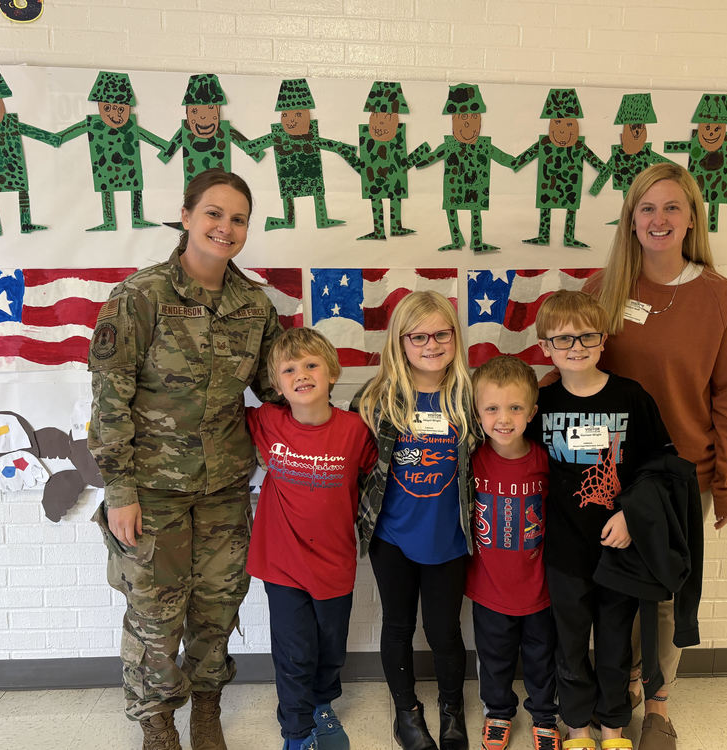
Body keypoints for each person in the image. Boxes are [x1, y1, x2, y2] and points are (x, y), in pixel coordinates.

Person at [87, 168, 283, 750]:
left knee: (218, 605)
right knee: (154, 615)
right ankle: (155, 722)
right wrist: (119, 491)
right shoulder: (138, 297)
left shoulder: (253, 304)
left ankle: (206, 708)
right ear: (187, 215)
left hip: (224, 487)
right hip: (150, 491)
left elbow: (278, 387)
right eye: (215, 214)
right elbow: (109, 398)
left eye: (238, 218)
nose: (226, 228)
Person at [585, 162, 727, 750]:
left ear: (691, 219)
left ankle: (656, 704)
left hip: (680, 476)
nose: (659, 219)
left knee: (660, 597)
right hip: (604, 473)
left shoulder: (718, 295)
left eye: (672, 208)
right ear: (631, 219)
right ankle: (616, 690)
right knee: (608, 588)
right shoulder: (600, 292)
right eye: (647, 208)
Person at [530, 290, 675, 750]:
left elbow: (659, 467)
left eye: (587, 336)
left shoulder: (631, 397)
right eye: (563, 339)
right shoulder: (539, 403)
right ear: (544, 346)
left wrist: (633, 515)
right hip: (563, 550)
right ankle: (576, 727)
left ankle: (612, 726)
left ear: (604, 339)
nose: (576, 347)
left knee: (615, 646)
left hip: (620, 551)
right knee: (570, 646)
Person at [246, 328, 377, 750]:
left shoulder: (356, 431)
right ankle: (297, 730)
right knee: (294, 652)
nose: (301, 374)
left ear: (332, 372)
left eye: (310, 365)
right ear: (278, 384)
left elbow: (379, 482)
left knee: (330, 647)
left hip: (335, 563)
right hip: (281, 564)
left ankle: (323, 703)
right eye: (289, 369)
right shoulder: (266, 421)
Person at [355, 291, 475, 750]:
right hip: (393, 538)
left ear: (455, 337)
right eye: (418, 336)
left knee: (445, 630)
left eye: (441, 333)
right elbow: (354, 466)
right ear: (400, 342)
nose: (431, 344)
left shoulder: (470, 396)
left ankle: (451, 709)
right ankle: (406, 712)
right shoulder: (377, 400)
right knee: (398, 625)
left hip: (449, 537)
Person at [465, 355, 561, 750]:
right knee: (495, 659)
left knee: (542, 658)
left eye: (515, 407)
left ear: (532, 412)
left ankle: (544, 716)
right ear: (477, 412)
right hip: (489, 589)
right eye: (491, 408)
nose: (503, 418)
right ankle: (499, 712)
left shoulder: (545, 460)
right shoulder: (469, 460)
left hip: (539, 589)